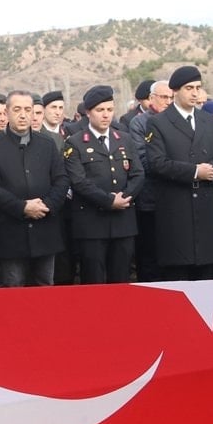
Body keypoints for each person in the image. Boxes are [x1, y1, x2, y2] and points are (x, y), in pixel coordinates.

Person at [145, 66, 213, 280]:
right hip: (176, 206)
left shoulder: (208, 120)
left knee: (207, 273)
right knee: (178, 273)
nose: (194, 93)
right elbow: (157, 163)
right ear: (175, 90)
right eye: (189, 88)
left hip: (205, 204)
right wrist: (195, 171)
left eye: (198, 88)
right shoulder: (158, 122)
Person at [0, 90, 69, 287]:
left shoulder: (47, 144)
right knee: (14, 287)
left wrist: (46, 206)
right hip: (11, 231)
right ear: (7, 112)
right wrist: (22, 207)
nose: (23, 115)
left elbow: (61, 179)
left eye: (28, 110)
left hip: (45, 228)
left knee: (45, 285)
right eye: (17, 109)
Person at [63, 85, 143, 284]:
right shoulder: (75, 142)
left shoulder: (124, 138)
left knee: (121, 278)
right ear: (88, 112)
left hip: (123, 220)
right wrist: (108, 201)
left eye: (109, 109)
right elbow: (79, 181)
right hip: (92, 223)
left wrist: (125, 197)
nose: (106, 115)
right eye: (100, 110)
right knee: (94, 279)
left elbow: (138, 174)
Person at [129, 80, 174, 281]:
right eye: (164, 97)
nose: (168, 101)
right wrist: (175, 167)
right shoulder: (139, 123)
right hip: (150, 199)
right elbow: (144, 160)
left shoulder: (175, 122)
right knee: (149, 253)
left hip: (174, 198)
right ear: (151, 98)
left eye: (171, 97)